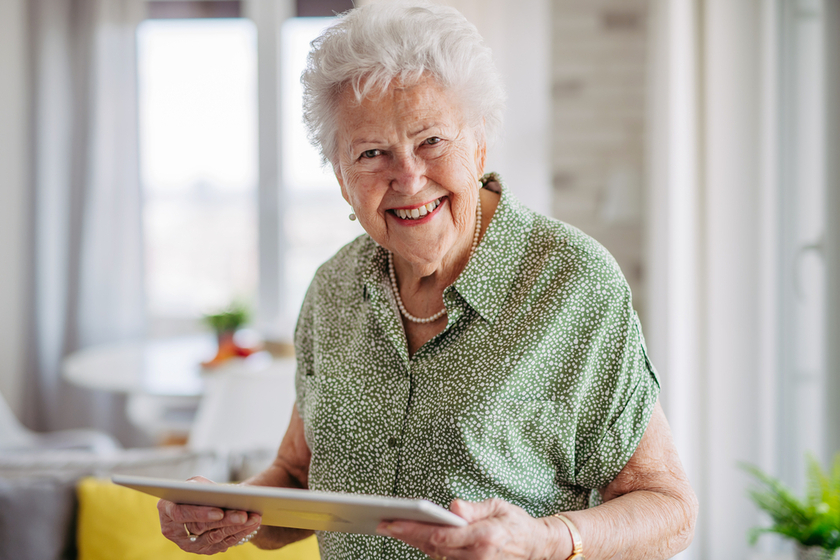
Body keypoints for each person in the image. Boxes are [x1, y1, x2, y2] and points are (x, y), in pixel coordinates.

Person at [158, 3, 698, 559]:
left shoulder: (572, 282)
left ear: (479, 143)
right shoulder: (333, 290)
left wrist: (544, 541)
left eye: (431, 141)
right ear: (343, 180)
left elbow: (669, 509)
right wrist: (225, 512)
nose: (409, 177)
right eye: (371, 153)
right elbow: (299, 479)